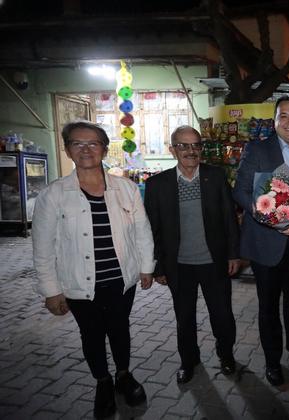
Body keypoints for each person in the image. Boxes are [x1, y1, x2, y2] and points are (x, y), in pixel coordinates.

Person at [32, 121, 155, 419]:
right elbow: (43, 248)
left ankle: (123, 375)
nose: (86, 149)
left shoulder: (125, 188)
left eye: (93, 143)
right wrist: (51, 291)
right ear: (67, 149)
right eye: (78, 143)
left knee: (120, 329)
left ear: (104, 149)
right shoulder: (54, 194)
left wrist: (146, 267)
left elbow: (142, 231)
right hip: (78, 283)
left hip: (120, 280)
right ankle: (103, 381)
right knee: (91, 334)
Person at [233, 96, 289, 386]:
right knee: (269, 307)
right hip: (268, 243)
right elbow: (240, 191)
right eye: (283, 116)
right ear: (274, 122)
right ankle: (272, 361)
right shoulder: (258, 149)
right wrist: (271, 218)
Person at [144, 126, 240, 384]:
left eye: (195, 145)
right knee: (184, 317)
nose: (190, 151)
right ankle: (189, 360)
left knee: (222, 315)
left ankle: (226, 354)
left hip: (214, 262)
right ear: (172, 149)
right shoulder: (157, 185)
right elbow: (152, 229)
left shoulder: (215, 176)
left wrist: (233, 254)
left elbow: (229, 218)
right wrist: (157, 267)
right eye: (183, 146)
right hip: (179, 266)